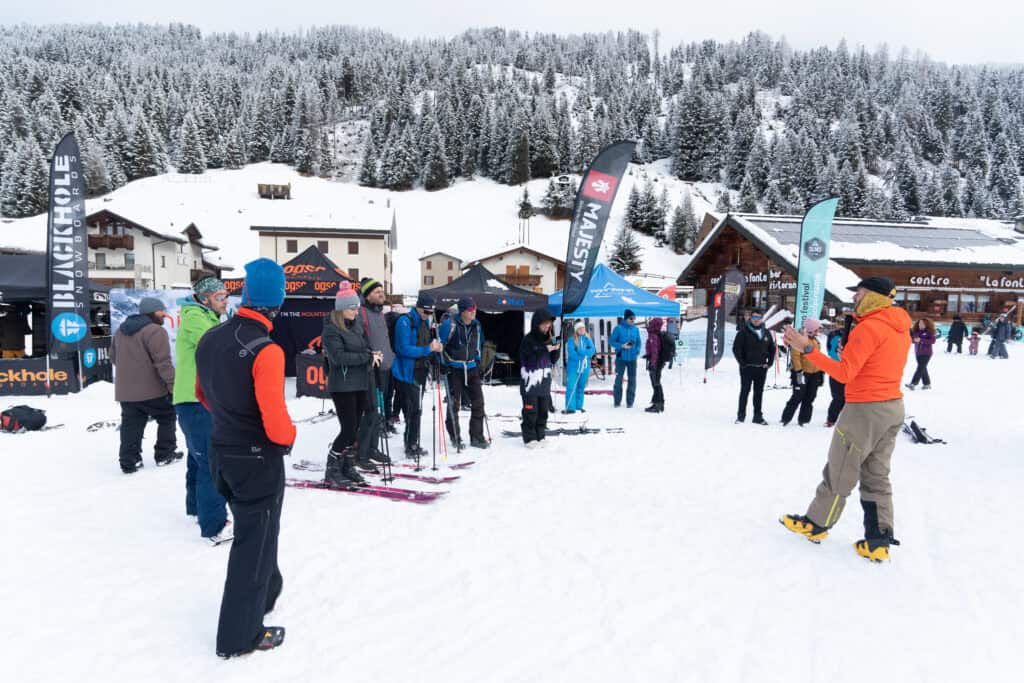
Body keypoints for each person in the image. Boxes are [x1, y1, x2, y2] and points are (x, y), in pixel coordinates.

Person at [195, 258, 292, 658]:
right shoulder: (266, 350)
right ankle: (239, 636)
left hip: (222, 449)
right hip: (256, 457)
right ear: (278, 302)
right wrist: (288, 438)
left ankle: (267, 592)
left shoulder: (212, 337)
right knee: (253, 540)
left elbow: (203, 395)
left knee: (260, 529)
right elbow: (275, 421)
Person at [779, 276, 912, 563]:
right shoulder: (899, 326)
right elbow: (875, 363)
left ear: (874, 296)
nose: (855, 298)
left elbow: (844, 375)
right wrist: (848, 356)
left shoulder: (870, 327)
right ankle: (878, 540)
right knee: (877, 475)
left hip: (865, 409)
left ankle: (816, 524)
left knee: (841, 468)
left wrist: (808, 349)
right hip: (892, 406)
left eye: (859, 293)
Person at [173, 276, 232, 545]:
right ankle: (214, 526)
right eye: (220, 297)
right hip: (195, 400)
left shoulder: (204, 316)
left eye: (226, 295)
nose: (225, 301)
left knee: (198, 458)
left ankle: (196, 508)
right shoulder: (196, 317)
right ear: (205, 298)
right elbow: (218, 345)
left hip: (197, 399)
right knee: (211, 462)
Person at [110, 297, 181, 474]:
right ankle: (165, 454)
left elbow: (113, 358)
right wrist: (173, 386)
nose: (164, 314)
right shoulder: (155, 331)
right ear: (152, 312)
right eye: (161, 311)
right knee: (167, 416)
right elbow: (163, 363)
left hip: (126, 391)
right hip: (153, 390)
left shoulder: (121, 330)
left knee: (131, 424)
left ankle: (129, 461)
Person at [322, 282, 383, 486]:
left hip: (359, 382)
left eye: (357, 307)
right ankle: (332, 466)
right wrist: (366, 357)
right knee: (348, 429)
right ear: (341, 309)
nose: (356, 311)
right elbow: (338, 358)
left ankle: (347, 464)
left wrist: (372, 354)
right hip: (342, 385)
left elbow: (364, 347)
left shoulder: (355, 325)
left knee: (354, 428)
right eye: (352, 308)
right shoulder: (331, 330)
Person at [392, 292, 442, 459]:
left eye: (431, 312)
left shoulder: (424, 321)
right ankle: (410, 444)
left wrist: (434, 354)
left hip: (420, 370)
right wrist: (429, 349)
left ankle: (413, 442)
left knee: (416, 409)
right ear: (418, 307)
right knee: (413, 409)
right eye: (426, 311)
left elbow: (425, 343)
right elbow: (402, 349)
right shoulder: (405, 321)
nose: (428, 315)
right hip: (407, 372)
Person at [439, 297, 488, 449]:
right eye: (470, 310)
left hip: (471, 367)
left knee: (478, 402)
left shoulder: (476, 325)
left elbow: (479, 344)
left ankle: (477, 436)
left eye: (474, 309)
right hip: (455, 368)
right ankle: (455, 436)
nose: (473, 312)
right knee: (454, 404)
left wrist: (478, 361)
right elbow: (440, 346)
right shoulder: (450, 324)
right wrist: (443, 364)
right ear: (462, 311)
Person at [359, 278, 396, 435]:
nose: (381, 294)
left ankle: (387, 421)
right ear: (367, 296)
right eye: (377, 292)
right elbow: (359, 340)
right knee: (376, 400)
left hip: (387, 364)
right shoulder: (361, 313)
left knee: (388, 396)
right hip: (373, 366)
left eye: (382, 291)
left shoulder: (380, 312)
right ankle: (376, 425)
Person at [519, 308, 560, 448]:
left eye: (549, 324)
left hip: (544, 382)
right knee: (531, 411)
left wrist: (556, 349)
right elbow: (528, 357)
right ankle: (529, 437)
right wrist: (545, 349)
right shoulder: (528, 339)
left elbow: (553, 359)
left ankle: (540, 435)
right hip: (530, 382)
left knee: (543, 411)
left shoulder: (550, 338)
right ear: (537, 324)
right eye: (544, 324)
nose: (547, 327)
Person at [733, 308, 776, 425]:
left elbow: (772, 349)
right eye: (754, 318)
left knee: (759, 393)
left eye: (758, 318)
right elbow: (736, 349)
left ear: (762, 319)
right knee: (745, 391)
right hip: (747, 368)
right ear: (750, 318)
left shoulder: (766, 332)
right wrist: (742, 363)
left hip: (761, 368)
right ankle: (741, 416)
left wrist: (770, 363)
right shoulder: (743, 331)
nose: (756, 320)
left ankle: (757, 417)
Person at [780, 318, 824, 426]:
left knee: (810, 396)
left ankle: (803, 419)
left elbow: (818, 357)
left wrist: (821, 372)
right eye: (817, 329)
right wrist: (799, 372)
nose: (818, 332)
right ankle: (786, 418)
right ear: (811, 329)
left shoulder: (815, 341)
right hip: (802, 372)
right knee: (798, 396)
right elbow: (795, 357)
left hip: (814, 373)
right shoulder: (800, 339)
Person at [609, 309, 641, 408]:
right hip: (621, 358)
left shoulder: (635, 329)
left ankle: (630, 402)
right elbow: (611, 341)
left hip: (632, 359)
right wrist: (622, 346)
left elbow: (639, 342)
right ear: (626, 318)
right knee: (618, 380)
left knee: (632, 380)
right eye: (631, 318)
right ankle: (617, 401)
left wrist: (637, 351)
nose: (633, 320)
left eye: (634, 318)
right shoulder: (618, 328)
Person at [564, 320, 595, 414]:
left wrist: (581, 351)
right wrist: (584, 354)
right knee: (571, 386)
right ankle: (570, 407)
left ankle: (579, 406)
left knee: (581, 387)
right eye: (579, 328)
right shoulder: (571, 340)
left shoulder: (587, 339)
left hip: (585, 367)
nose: (582, 329)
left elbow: (592, 351)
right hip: (573, 367)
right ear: (576, 330)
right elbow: (572, 353)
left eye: (583, 328)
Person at [824, 319, 847, 427]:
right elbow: (830, 350)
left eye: (841, 323)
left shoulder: (850, 334)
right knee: (838, 397)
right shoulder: (833, 335)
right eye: (839, 323)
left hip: (844, 367)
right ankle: (831, 419)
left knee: (843, 397)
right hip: (837, 367)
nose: (839, 326)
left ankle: (838, 418)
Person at [906, 318, 936, 390]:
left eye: (922, 323)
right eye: (919, 323)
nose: (920, 324)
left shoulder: (930, 332)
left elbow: (932, 341)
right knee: (923, 368)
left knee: (920, 368)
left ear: (926, 324)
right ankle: (927, 384)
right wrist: (914, 339)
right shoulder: (916, 332)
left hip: (926, 353)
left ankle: (913, 383)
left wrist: (921, 340)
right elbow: (913, 340)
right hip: (918, 352)